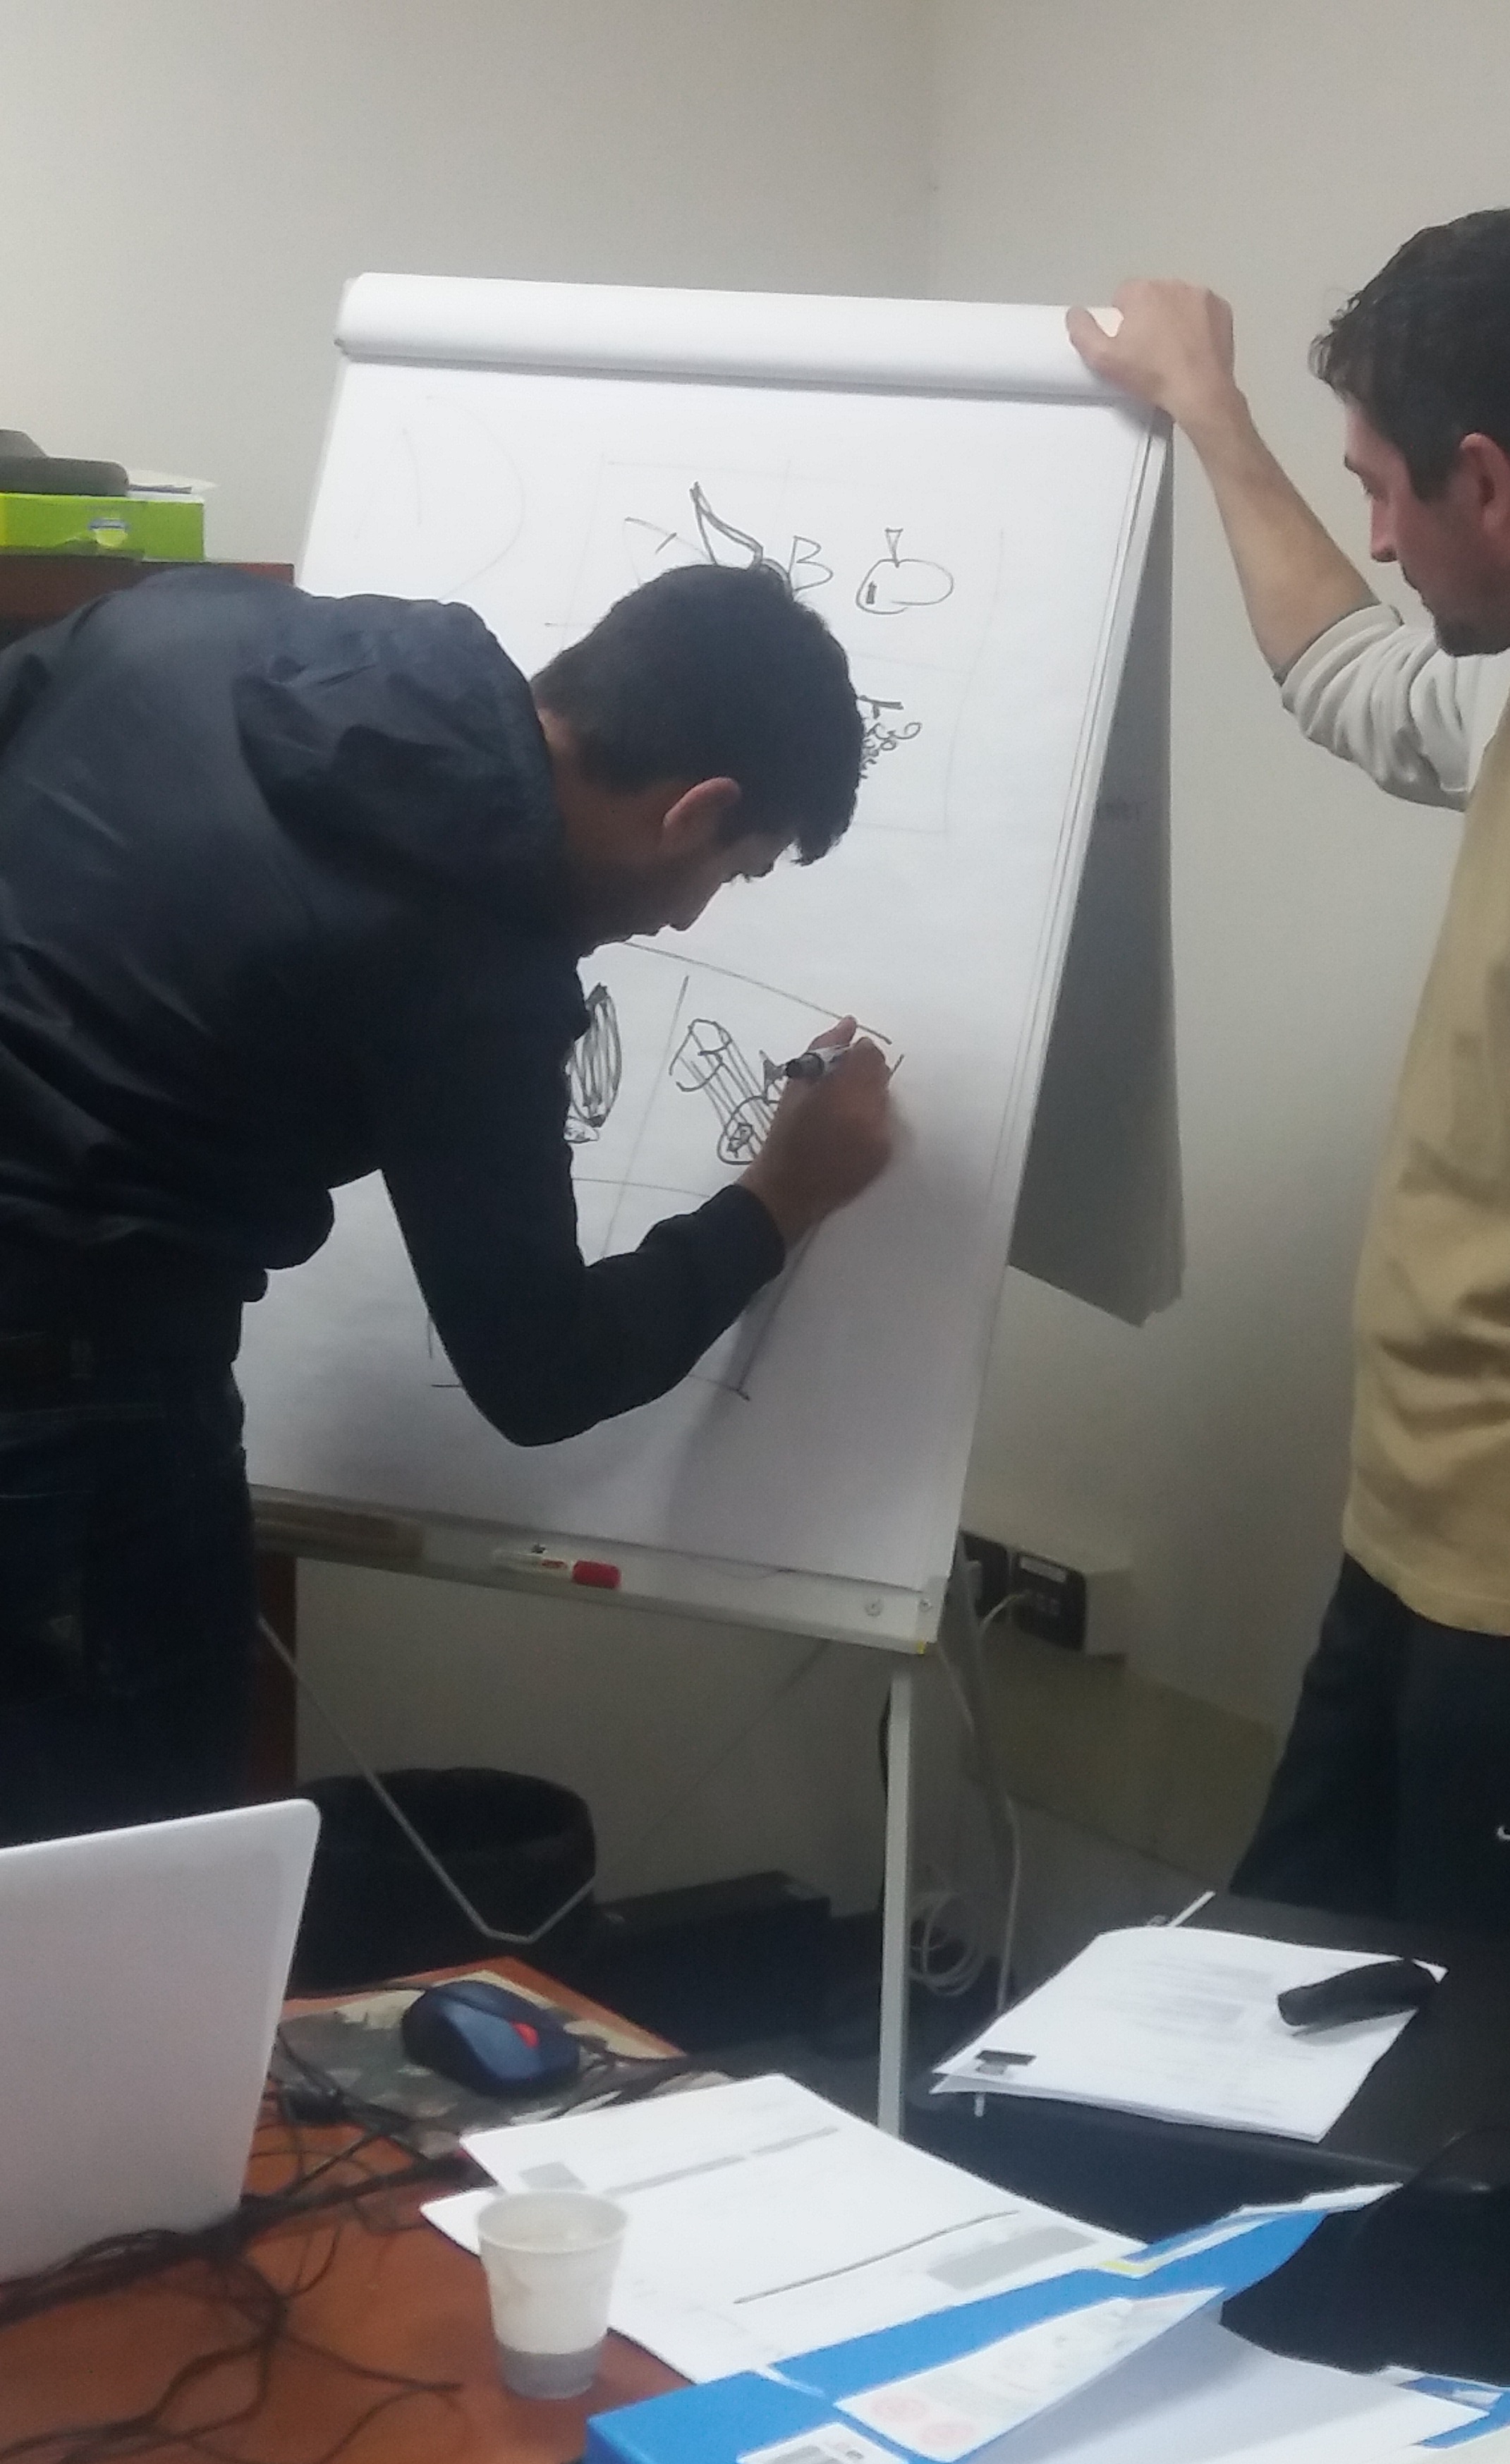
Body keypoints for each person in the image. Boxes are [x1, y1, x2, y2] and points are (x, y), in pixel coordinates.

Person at [0, 558, 892, 1843]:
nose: (692, 916)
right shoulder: (474, 960)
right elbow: (541, 1368)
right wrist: (781, 1196)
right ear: (696, 811)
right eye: (733, 873)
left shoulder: (191, 623)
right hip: (67, 1407)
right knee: (122, 1877)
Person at [1071, 211, 1510, 1955]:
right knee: (1267, 2013)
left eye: (1384, 491)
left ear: (1486, 482)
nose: (1375, 537)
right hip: (1416, 1537)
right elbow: (1348, 676)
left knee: (1497, 2088)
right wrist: (1207, 413)